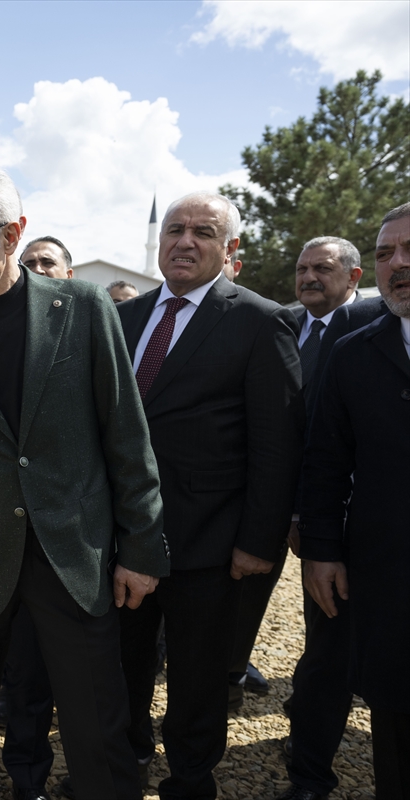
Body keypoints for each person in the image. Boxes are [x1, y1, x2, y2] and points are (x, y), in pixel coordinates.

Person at [0, 165, 169, 800]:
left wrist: (141, 547)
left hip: (73, 555)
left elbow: (127, 437)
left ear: (12, 234)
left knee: (97, 723)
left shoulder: (86, 309)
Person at [115, 192, 302, 798]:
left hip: (210, 546)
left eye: (203, 231)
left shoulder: (260, 320)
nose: (185, 241)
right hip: (124, 538)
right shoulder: (125, 317)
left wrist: (258, 541)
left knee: (196, 681)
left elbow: (277, 444)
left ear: (230, 248)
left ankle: (190, 781)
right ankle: (125, 767)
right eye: (175, 229)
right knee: (123, 667)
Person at [291, 203, 410, 800]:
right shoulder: (356, 353)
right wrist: (321, 549)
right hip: (381, 568)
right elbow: (327, 463)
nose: (398, 264)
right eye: (387, 252)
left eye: (409, 250)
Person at [228, 236, 365, 710]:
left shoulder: (372, 329)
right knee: (240, 603)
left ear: (353, 276)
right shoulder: (279, 322)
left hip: (335, 506)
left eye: (322, 269)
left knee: (327, 618)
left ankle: (313, 718)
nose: (308, 277)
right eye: (302, 269)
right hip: (266, 498)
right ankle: (228, 679)